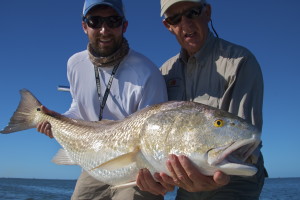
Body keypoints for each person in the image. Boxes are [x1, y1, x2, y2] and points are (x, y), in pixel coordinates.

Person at [136, 0, 268, 199]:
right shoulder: (164, 72)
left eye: (192, 12)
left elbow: (244, 144)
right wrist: (154, 176)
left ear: (207, 13)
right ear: (168, 26)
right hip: (186, 178)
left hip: (237, 178)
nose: (186, 23)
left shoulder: (239, 61)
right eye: (175, 18)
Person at [37, 0, 167, 199]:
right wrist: (57, 119)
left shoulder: (147, 73)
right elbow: (78, 108)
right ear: (84, 26)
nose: (104, 30)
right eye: (95, 21)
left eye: (113, 21)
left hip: (136, 168)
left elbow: (154, 136)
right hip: (94, 161)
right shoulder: (75, 64)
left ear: (124, 26)